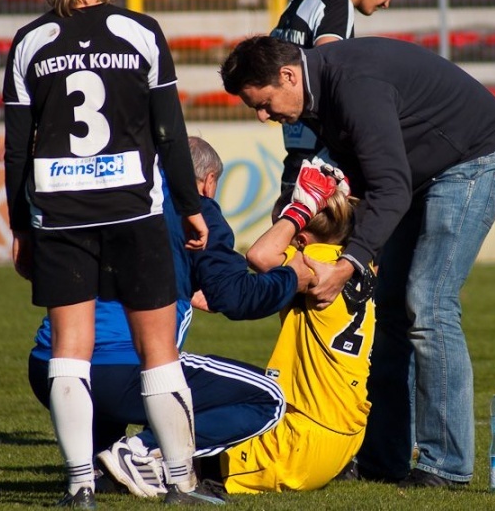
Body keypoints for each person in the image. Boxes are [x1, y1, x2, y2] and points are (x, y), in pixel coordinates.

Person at [219, 35, 495, 489]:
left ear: (287, 76)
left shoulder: (354, 86)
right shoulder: (321, 91)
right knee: (390, 309)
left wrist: (348, 264)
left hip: (473, 160)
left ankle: (447, 466)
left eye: (262, 104)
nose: (263, 117)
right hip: (423, 171)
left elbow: (391, 186)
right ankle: (384, 457)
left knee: (429, 305)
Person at [3, 0, 209, 507]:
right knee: (159, 350)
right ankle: (179, 484)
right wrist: (190, 208)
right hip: (133, 211)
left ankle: (80, 486)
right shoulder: (141, 32)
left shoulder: (30, 42)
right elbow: (171, 134)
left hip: (61, 214)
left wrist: (21, 226)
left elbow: (18, 148)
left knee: (71, 347)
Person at [30, 138, 311, 503]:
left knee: (122, 370)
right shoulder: (196, 208)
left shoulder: (110, 193)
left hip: (48, 366)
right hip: (121, 369)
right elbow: (237, 297)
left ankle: (98, 469)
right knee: (268, 398)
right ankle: (141, 451)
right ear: (209, 182)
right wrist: (292, 278)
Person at [108, 162, 375, 495]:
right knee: (226, 390)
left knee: (191, 400)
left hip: (299, 442)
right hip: (345, 435)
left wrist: (298, 210)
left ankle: (138, 454)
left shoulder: (314, 258)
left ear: (302, 237)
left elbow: (261, 256)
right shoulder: (355, 262)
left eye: (283, 228)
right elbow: (271, 288)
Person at [270, 0, 417, 193]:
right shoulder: (338, 4)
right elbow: (332, 76)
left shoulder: (301, 0)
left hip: (295, 158)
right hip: (320, 163)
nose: (387, 2)